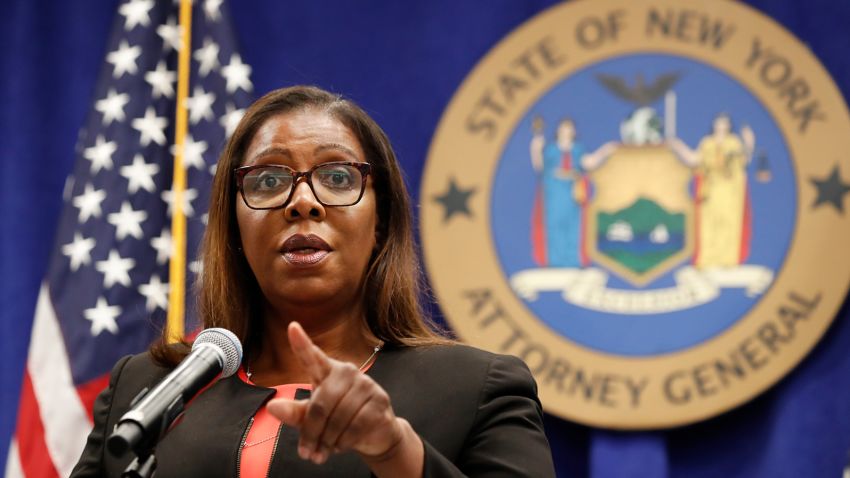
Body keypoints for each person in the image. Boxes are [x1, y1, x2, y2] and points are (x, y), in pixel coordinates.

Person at [70, 85, 555, 477]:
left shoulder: (476, 388)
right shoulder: (148, 389)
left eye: (338, 177)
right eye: (267, 180)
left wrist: (394, 450)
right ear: (235, 227)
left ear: (381, 222)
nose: (303, 202)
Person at [669, 113, 755, 268]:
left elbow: (744, 159)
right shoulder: (707, 143)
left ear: (729, 126)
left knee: (728, 222)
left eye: (724, 123)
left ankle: (727, 260)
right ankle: (708, 258)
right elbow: (693, 159)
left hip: (729, 191)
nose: (721, 126)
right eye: (718, 123)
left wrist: (749, 142)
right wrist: (678, 146)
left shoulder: (733, 142)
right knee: (709, 223)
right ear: (714, 125)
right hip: (710, 190)